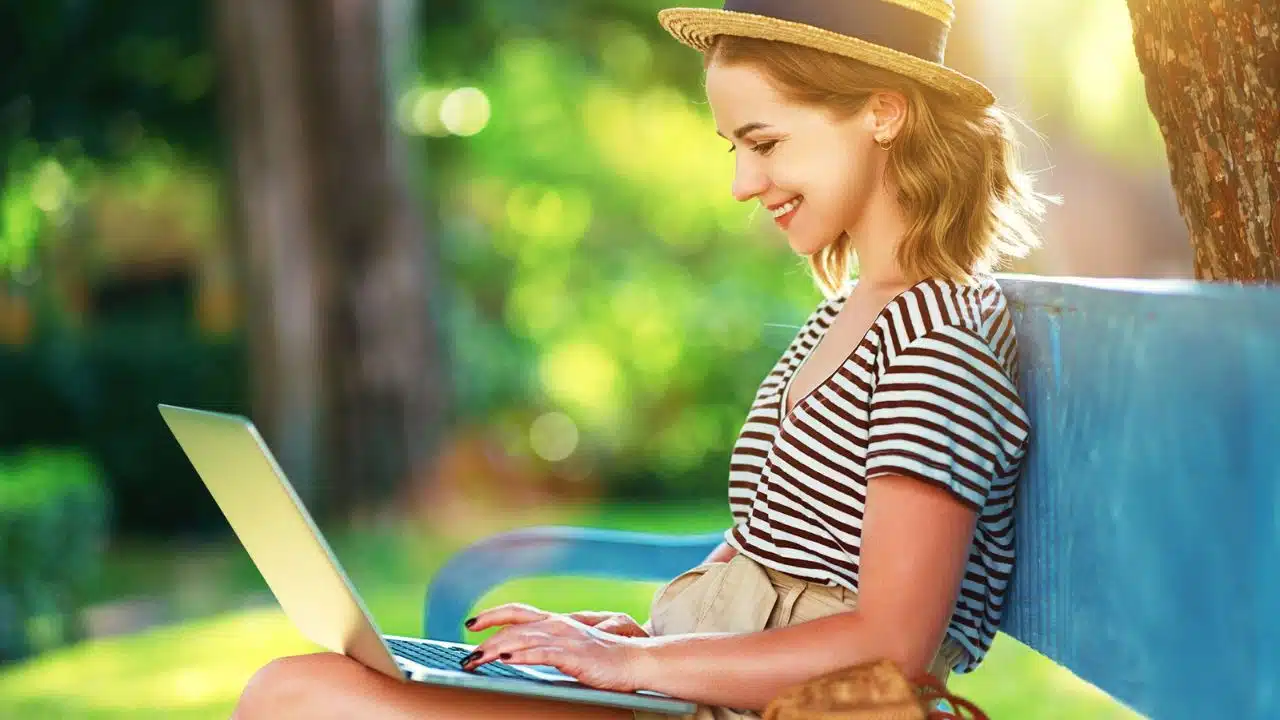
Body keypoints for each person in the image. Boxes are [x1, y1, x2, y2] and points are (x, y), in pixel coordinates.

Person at [231, 1, 1051, 717]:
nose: (741, 181)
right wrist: (633, 645)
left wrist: (634, 667)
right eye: (734, 145)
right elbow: (777, 557)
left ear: (882, 111)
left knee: (298, 698)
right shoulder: (849, 316)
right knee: (303, 690)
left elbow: (890, 646)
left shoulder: (936, 337)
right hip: (705, 697)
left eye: (764, 142)